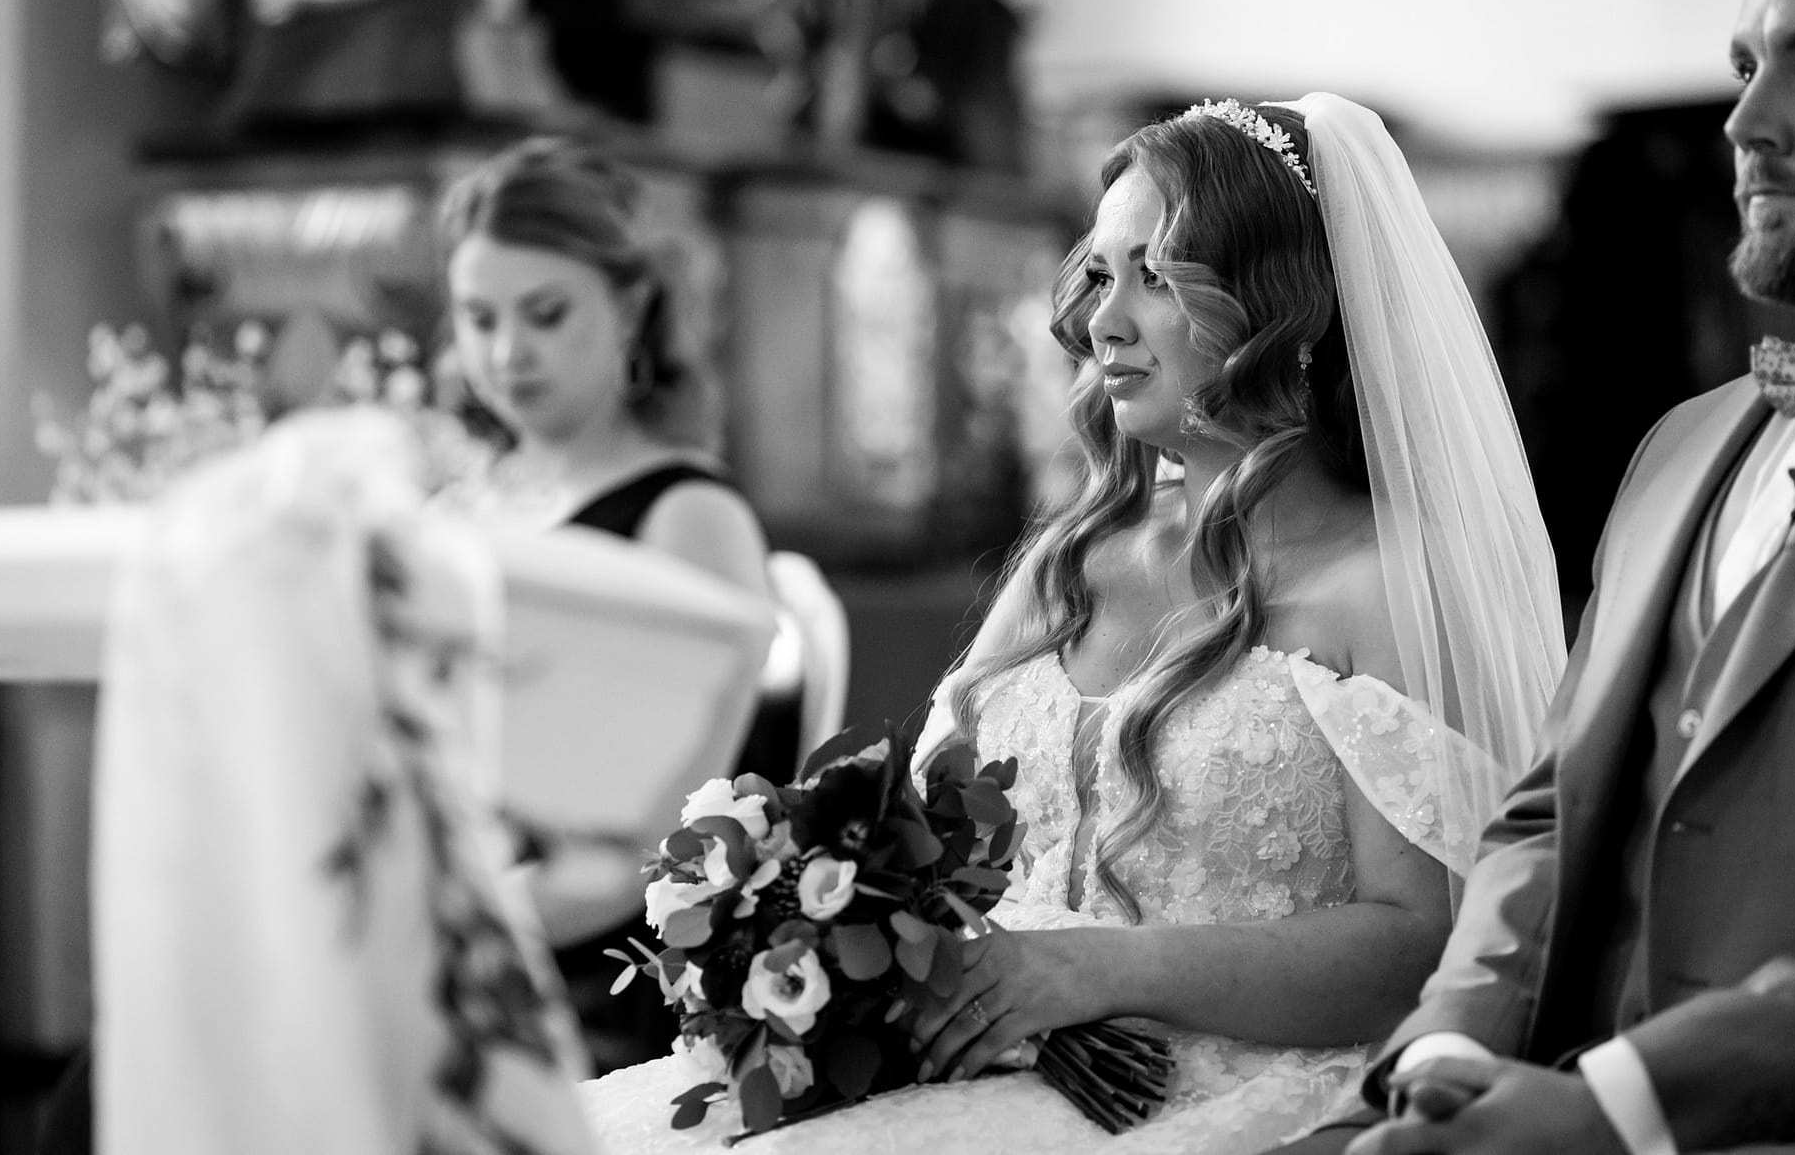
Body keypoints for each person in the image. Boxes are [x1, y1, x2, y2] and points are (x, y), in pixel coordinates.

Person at [571, 92, 1566, 1153]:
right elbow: (922, 836)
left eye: (1158, 276)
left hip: (1224, 1095)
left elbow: (1425, 946)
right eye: (1100, 274)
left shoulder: (1387, 583)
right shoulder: (1073, 558)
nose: (1103, 323)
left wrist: (1092, 968)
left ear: (1279, 301)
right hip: (986, 1071)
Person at [1288, 0, 1795, 1153]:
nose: (1745, 123)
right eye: (1745, 68)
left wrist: (1612, 1109)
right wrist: (1448, 1049)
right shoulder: (1678, 449)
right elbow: (1551, 805)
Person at [435, 136, 788, 1074]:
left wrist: (435, 934)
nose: (507, 352)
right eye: (478, 317)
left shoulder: (690, 515)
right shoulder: (449, 512)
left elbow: (654, 848)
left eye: (546, 313)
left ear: (630, 306)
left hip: (601, 986)